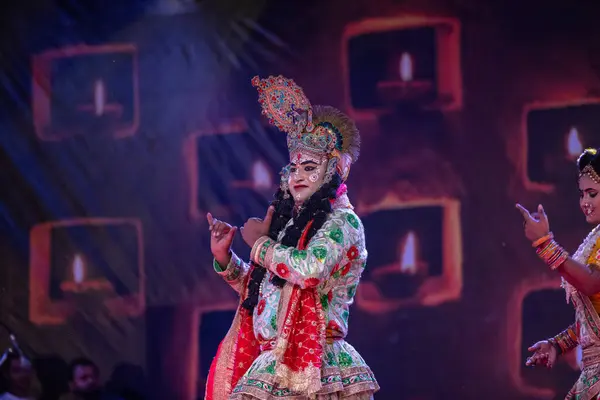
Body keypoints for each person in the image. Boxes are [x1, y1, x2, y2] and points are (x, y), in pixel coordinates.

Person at [205, 75, 379, 400]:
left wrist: (260, 243)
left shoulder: (343, 222)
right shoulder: (290, 227)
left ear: (334, 170)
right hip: (273, 363)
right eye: (294, 167)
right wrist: (226, 259)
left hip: (318, 364)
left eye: (309, 167)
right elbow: (269, 287)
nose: (298, 175)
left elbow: (309, 270)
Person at [516, 147, 600, 399]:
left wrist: (544, 244)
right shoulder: (594, 239)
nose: (584, 202)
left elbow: (592, 283)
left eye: (592, 193)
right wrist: (557, 344)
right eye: (582, 194)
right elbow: (593, 319)